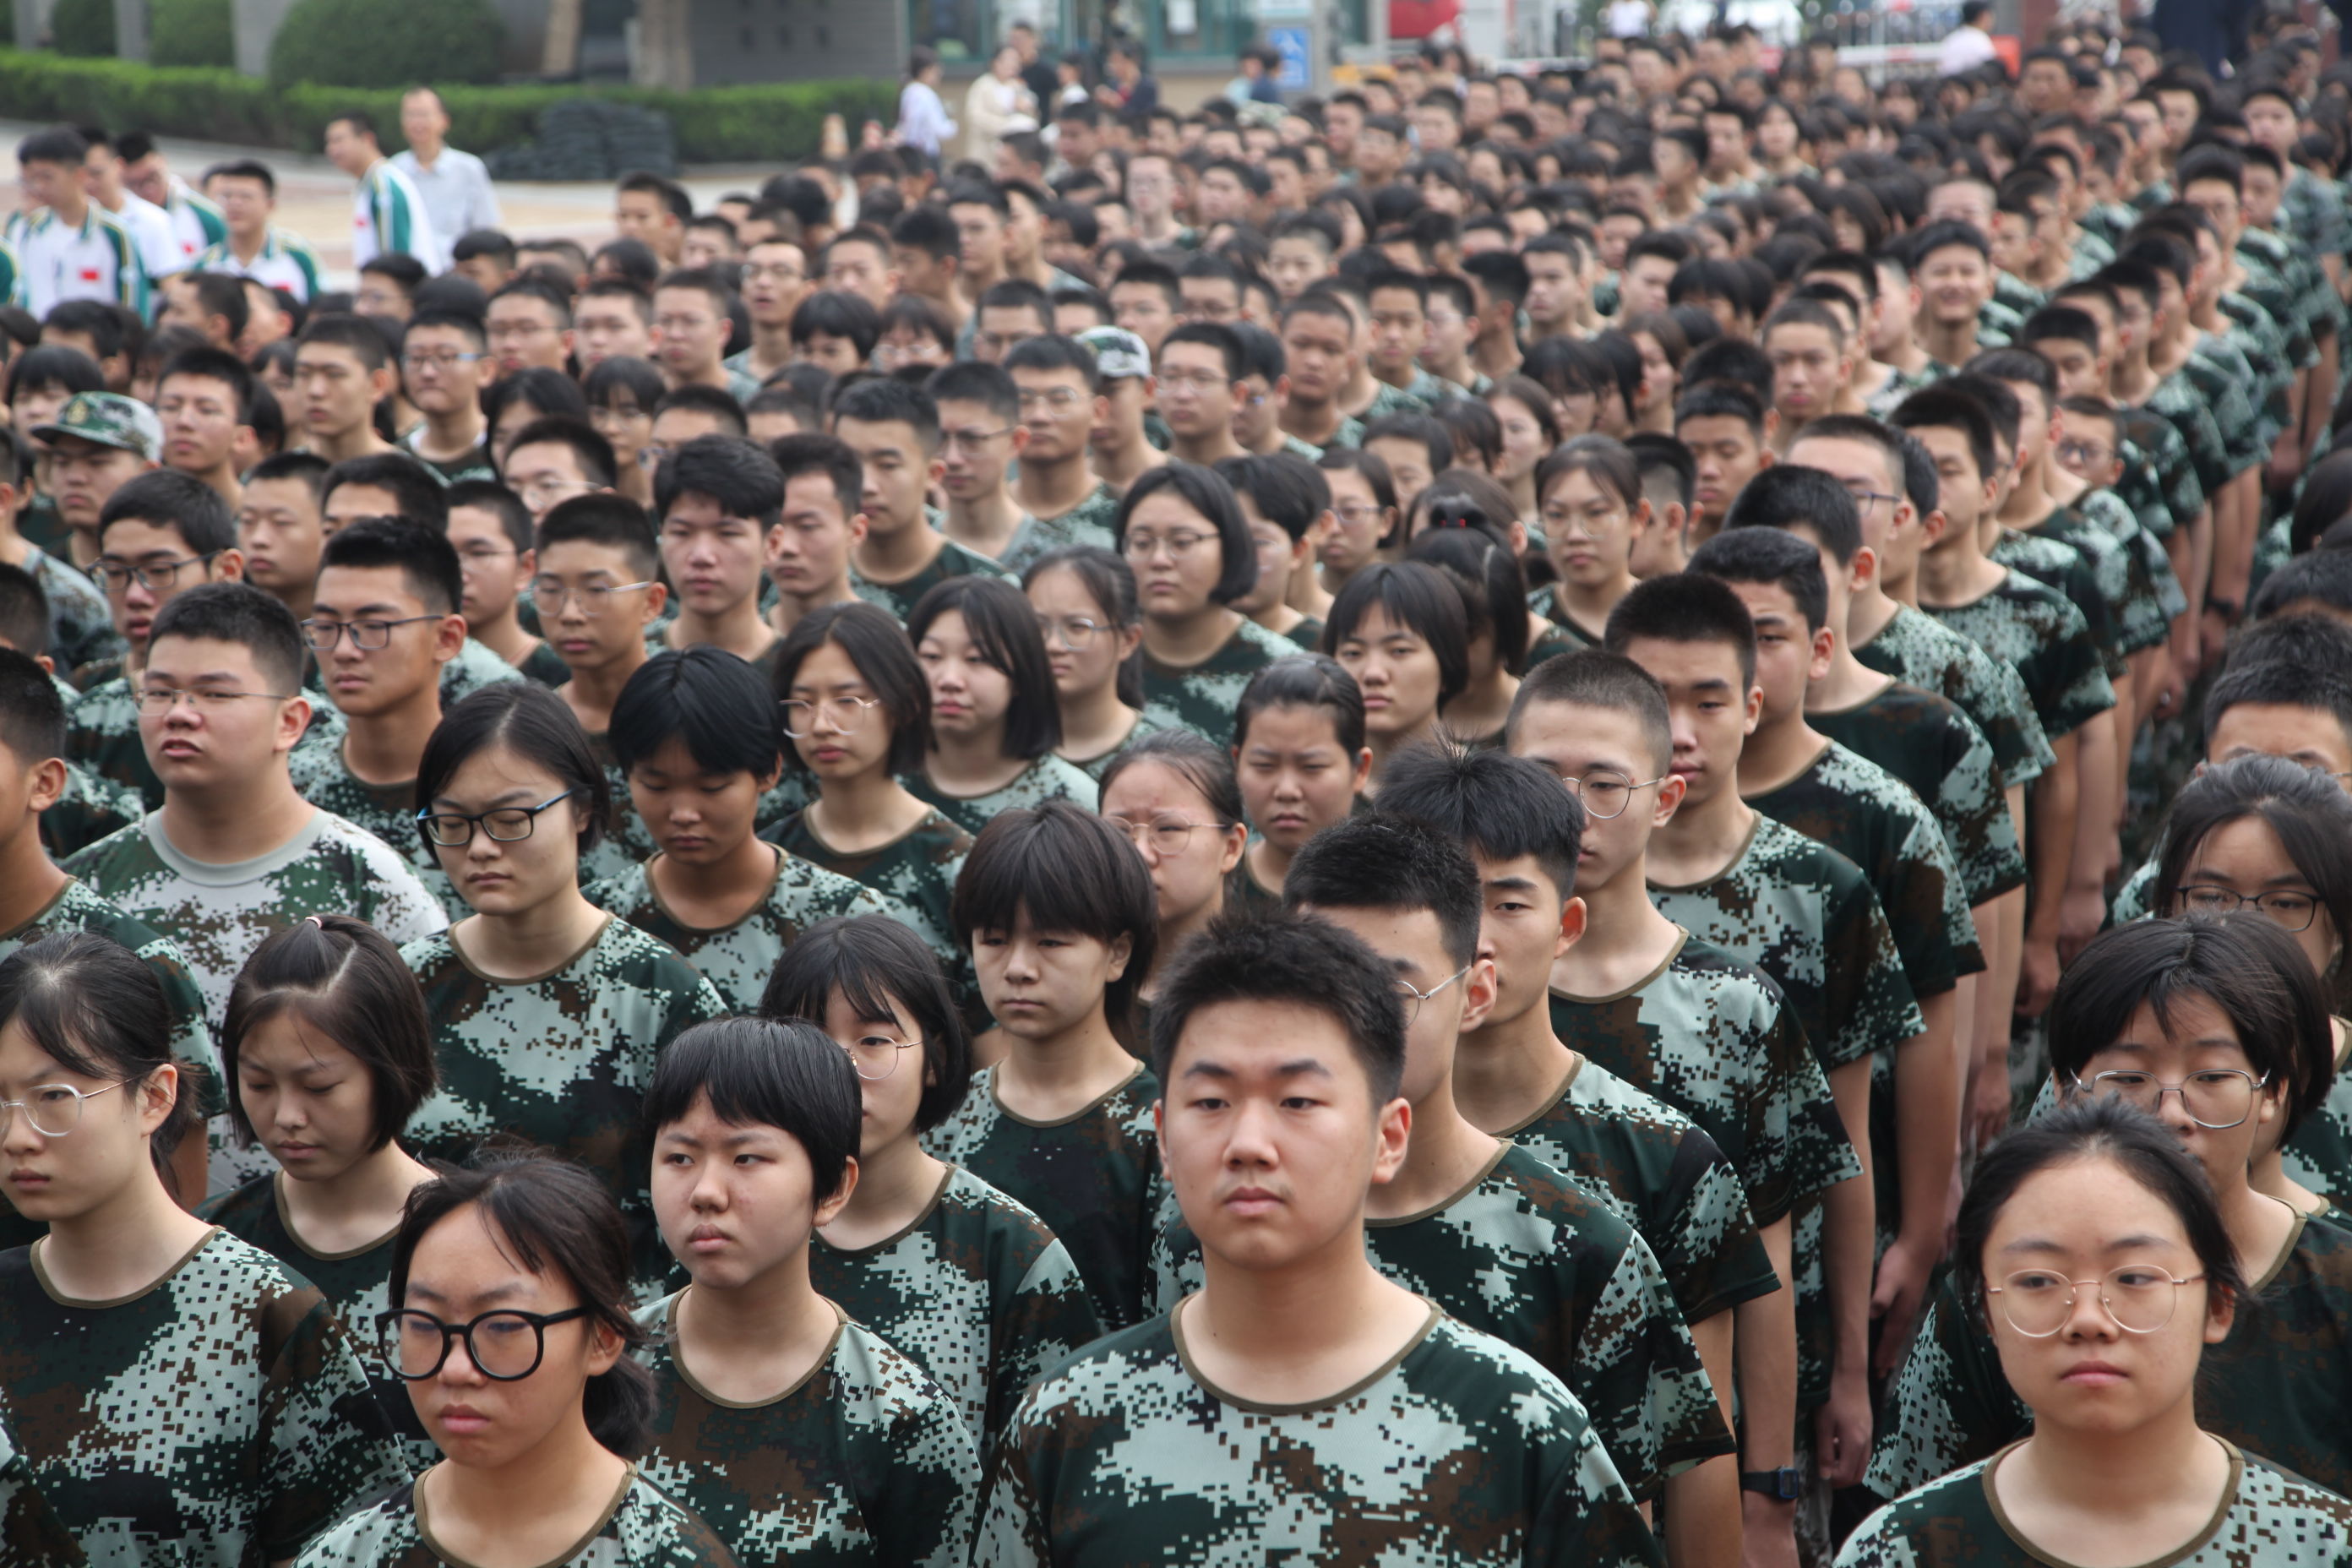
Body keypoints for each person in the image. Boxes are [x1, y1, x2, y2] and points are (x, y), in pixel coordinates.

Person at [977, 910, 1662, 1568]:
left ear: (1387, 1138)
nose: (1249, 1144)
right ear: (1161, 1134)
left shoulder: (1518, 1423)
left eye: (1297, 1101)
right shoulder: (1067, 1424)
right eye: (1211, 1102)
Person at [1157, 810, 1738, 1550]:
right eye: (1321, 989)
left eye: (1389, 994)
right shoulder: (1206, 1230)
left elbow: (1674, 1498)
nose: (1353, 1023)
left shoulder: (1581, 1249)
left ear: (1475, 992)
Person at [1511, 647, 1859, 1567]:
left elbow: (1766, 1262)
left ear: (1664, 797)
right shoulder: (1448, 1000)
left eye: (1605, 783)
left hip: (1671, 1472)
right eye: (1543, 779)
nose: (1572, 811)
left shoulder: (1731, 1005)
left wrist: (1769, 1493)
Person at [1867, 915, 2352, 1503]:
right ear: (2067, 1093)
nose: (2171, 1111)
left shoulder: (2338, 1282)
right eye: (2128, 1075)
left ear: (2272, 1092)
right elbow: (1910, 1505)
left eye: (2212, 1074)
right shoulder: (2005, 1289)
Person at [0, 930, 404, 1562]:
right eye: (0, 1101)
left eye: (56, 1098)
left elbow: (360, 1547)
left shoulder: (266, 1315)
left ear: (156, 1096)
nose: (18, 1135)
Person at [1847, 1098, 2352, 1564]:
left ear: (2219, 1306)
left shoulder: (2322, 1545)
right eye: (2039, 1280)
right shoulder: (1901, 1549)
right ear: (1985, 1313)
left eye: (2134, 1277)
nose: (2087, 1319)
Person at [400, 683, 724, 1287]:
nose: (481, 848)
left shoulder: (663, 996)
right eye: (452, 823)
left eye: (511, 819)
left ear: (581, 808)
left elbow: (712, 1190)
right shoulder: (402, 987)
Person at [634, 1017, 979, 1567]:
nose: (705, 1192)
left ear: (834, 1187)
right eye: (679, 1157)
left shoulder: (899, 1416)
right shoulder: (601, 1370)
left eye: (747, 1158)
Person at [762, 913, 1104, 1453]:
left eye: (874, 1040)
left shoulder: (1009, 1251)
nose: (841, 1070)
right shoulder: (741, 1224)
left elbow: (1059, 1466)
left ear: (934, 1060)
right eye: (810, 1039)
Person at [308, 1153, 738, 1567]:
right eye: (424, 1323)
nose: (455, 1369)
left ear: (603, 1338)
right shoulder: (350, 1555)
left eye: (503, 1326)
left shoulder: (669, 1555)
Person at [67, 582, 446, 1032]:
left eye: (215, 694)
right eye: (160, 692)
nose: (179, 714)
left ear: (290, 722)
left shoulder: (375, 885)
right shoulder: (88, 886)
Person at [200, 914, 442, 1467]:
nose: (286, 1116)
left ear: (392, 1070)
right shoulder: (212, 1244)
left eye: (319, 1086)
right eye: (258, 1083)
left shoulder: (474, 1239)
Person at [928, 798, 1167, 1331]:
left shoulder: (1161, 1132)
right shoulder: (940, 1124)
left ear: (1117, 953)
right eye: (993, 939)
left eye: (1050, 941)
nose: (1017, 968)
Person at [584, 647, 890, 1013]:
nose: (683, 813)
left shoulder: (846, 918)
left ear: (769, 772)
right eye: (656, 786)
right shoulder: (595, 919)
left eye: (711, 786)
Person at [2147, 755, 2352, 1213]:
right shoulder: (2107, 1066)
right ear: (2166, 907)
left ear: (2339, 924)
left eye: (2285, 902)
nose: (2244, 927)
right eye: (2212, 897)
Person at [764, 602, 977, 990]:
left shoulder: (958, 865)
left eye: (848, 701)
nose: (822, 724)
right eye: (803, 702)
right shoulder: (768, 855)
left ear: (905, 702)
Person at [287, 518, 471, 914]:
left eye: (373, 626)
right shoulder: (285, 790)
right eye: (326, 626)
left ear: (446, 638)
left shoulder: (494, 796)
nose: (344, 650)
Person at [531, 493, 668, 879]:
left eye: (596, 591)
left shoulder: (691, 715)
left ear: (652, 602)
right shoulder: (533, 729)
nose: (571, 613)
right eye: (552, 590)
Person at [1118, 464, 1298, 743]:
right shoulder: (1103, 656)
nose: (1159, 560)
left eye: (1182, 542)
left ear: (1230, 546)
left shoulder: (1283, 671)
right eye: (1142, 543)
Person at [905, 576, 1097, 836]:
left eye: (976, 658)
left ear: (1020, 674)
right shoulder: (883, 778)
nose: (949, 679)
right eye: (931, 656)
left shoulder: (1073, 801)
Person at [829, 378, 1012, 625]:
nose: (866, 486)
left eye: (887, 466)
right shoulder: (806, 575)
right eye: (849, 464)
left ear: (933, 474)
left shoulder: (987, 588)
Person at [1099, 728, 1245, 1005]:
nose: (1140, 853)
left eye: (1167, 828)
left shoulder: (1268, 987)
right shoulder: (1074, 983)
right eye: (1119, 831)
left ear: (1231, 848)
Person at [1231, 655, 1370, 905]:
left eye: (1311, 767)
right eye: (1264, 766)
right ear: (1237, 763)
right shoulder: (1212, 890)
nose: (1286, 790)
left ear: (1359, 769)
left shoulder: (1399, 895)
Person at [1323, 561, 1467, 789]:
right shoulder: (1317, 790)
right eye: (1353, 653)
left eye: (1399, 650)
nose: (1373, 674)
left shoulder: (1483, 790)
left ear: (1446, 661)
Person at [1022, 545, 1161, 778]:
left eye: (1077, 627)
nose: (1053, 645)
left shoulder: (1160, 758)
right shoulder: (993, 745)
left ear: (1128, 640)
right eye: (1038, 626)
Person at [656, 434, 787, 668]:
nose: (702, 556)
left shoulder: (799, 675)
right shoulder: (630, 663)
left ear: (772, 544)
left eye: (727, 534)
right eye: (681, 533)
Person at [10, 127, 145, 319]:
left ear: (79, 175)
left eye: (47, 177)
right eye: (33, 179)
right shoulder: (26, 228)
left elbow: (132, 307)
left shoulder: (114, 233)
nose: (39, 187)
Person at [1531, 437, 1649, 651]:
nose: (1575, 535)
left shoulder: (1672, 619)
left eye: (1596, 513)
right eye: (1557, 515)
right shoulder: (1526, 624)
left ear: (1638, 518)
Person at [446, 481, 569, 687]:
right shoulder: (415, 676)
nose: (459, 574)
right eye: (445, 554)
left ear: (525, 568)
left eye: (479, 554)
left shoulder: (563, 678)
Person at [322, 110, 445, 274]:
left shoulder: (383, 187)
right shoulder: (373, 183)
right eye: (329, 142)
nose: (332, 149)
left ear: (367, 139)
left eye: (339, 140)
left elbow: (394, 262)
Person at [390, 87, 502, 259]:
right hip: (408, 268)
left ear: (444, 121)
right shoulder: (393, 170)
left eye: (424, 114)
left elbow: (485, 227)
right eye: (410, 115)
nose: (417, 122)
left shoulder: (468, 168)